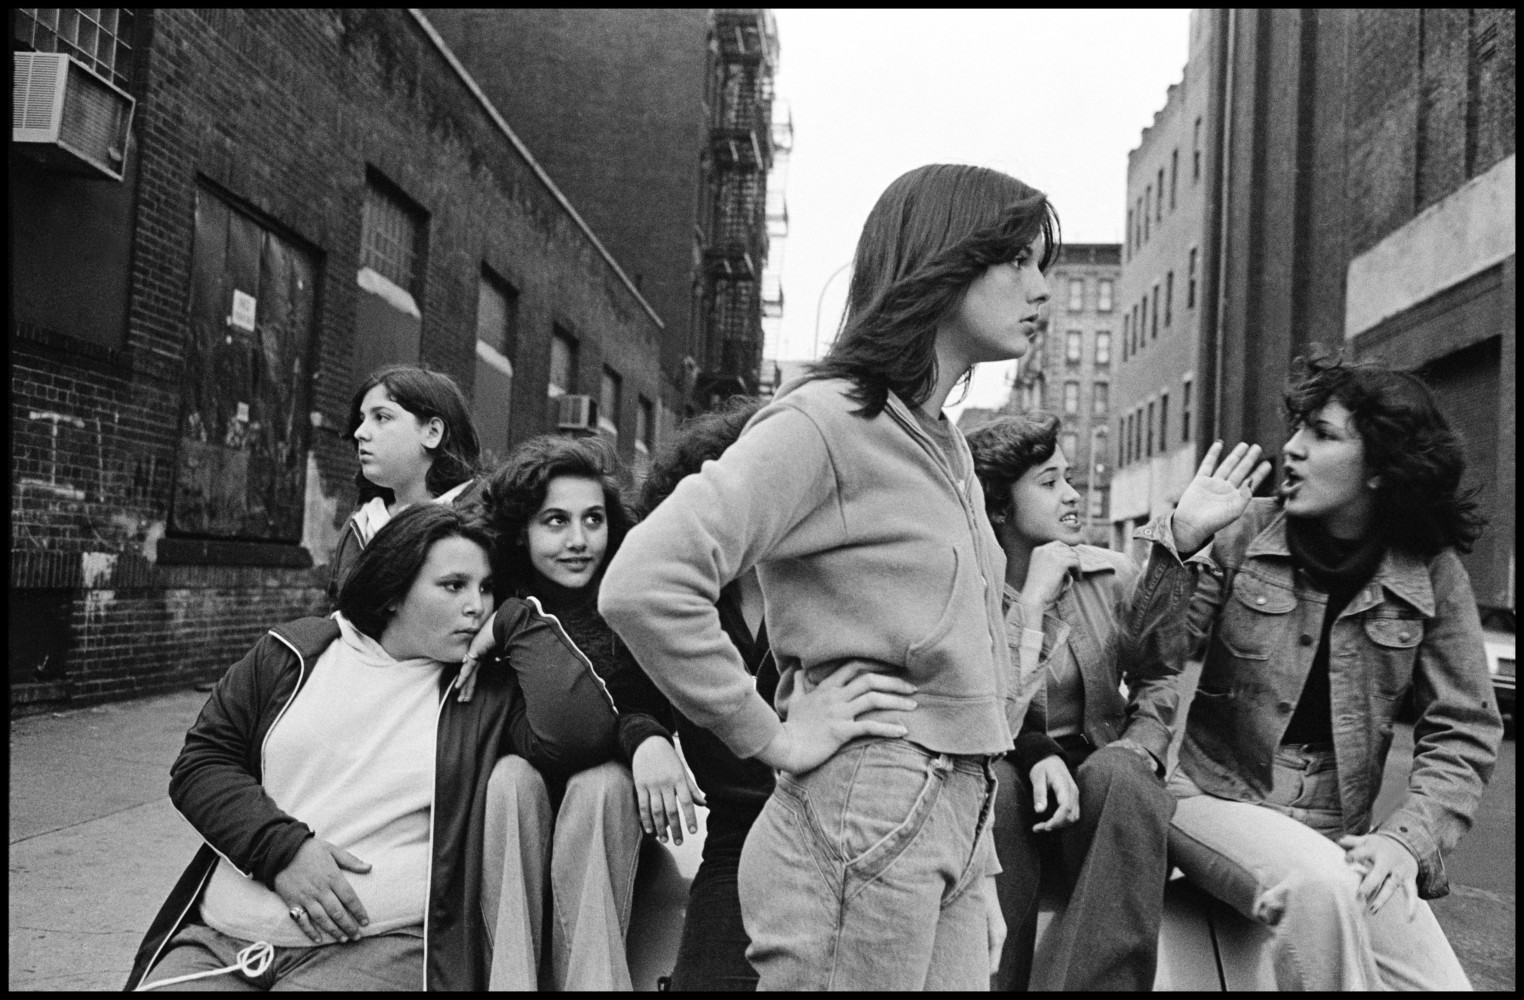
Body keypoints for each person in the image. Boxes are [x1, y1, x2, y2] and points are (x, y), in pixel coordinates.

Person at [601, 163, 1080, 991]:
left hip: (948, 825)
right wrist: (770, 735)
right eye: (1017, 261)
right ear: (942, 260)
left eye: (1044, 264)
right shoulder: (828, 419)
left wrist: (977, 869)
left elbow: (966, 668)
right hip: (864, 811)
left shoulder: (945, 443)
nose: (1041, 288)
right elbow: (644, 581)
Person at [126, 503, 612, 991]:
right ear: (394, 592)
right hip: (220, 943)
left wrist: (517, 622)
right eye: (453, 586)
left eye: (486, 589)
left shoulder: (482, 693)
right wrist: (282, 851)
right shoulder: (293, 654)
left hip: (378, 948)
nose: (476, 606)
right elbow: (201, 764)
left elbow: (581, 737)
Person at [1160, 352, 1503, 990]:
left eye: (1321, 434)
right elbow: (1148, 658)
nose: (1292, 448)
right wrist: (1180, 544)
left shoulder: (1431, 569)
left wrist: (1406, 840)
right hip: (1211, 799)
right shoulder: (1243, 530)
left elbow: (1465, 727)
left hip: (1337, 829)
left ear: (1380, 468)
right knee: (1318, 887)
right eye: (1297, 428)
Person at [967, 413, 1267, 990]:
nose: (1073, 494)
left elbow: (1159, 671)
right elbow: (979, 715)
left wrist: (1141, 745)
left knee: (1123, 774)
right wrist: (1030, 606)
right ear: (999, 507)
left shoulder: (1108, 574)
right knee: (994, 785)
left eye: (1069, 477)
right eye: (1049, 482)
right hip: (1004, 790)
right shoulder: (966, 591)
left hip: (1096, 794)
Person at [462, 434, 692, 990]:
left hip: (605, 827)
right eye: (556, 522)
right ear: (522, 529)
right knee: (511, 779)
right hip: (514, 818)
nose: (579, 541)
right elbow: (550, 729)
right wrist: (516, 620)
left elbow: (640, 703)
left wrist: (649, 738)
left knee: (603, 785)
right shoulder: (491, 602)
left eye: (593, 519)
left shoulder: (626, 599)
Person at [328, 365, 482, 604]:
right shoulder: (360, 523)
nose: (360, 432)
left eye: (381, 417)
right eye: (362, 419)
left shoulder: (484, 521)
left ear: (432, 432)